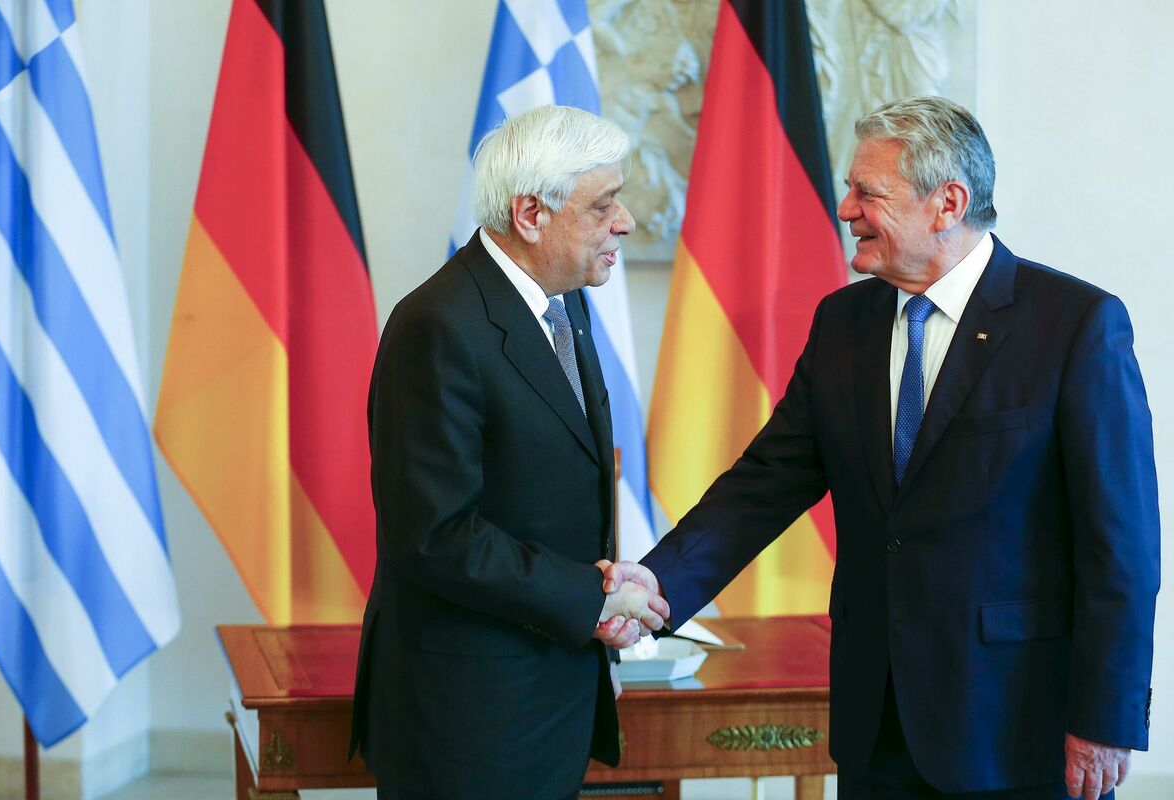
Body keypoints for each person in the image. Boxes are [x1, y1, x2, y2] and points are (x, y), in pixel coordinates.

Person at [601, 96, 1159, 800]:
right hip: (877, 722)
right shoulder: (844, 322)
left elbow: (1121, 545)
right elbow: (765, 483)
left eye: (868, 193)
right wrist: (658, 583)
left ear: (947, 204)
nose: (846, 210)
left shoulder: (1074, 326)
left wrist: (1106, 716)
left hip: (1015, 722)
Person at [348, 105, 668, 800]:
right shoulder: (437, 326)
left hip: (549, 691)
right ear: (530, 215)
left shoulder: (564, 301)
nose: (624, 221)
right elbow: (434, 535)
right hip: (467, 717)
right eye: (603, 204)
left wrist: (601, 594)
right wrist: (590, 597)